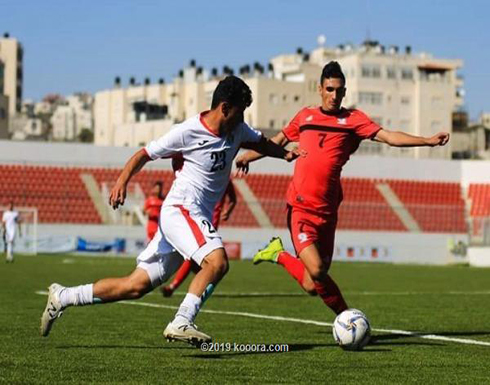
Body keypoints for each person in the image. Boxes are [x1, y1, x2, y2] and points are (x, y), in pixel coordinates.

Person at [40, 76, 299, 345]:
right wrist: (121, 181)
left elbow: (261, 142)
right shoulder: (186, 131)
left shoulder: (238, 129)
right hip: (182, 208)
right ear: (224, 107)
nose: (242, 117)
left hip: (190, 216)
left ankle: (63, 296)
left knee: (135, 285)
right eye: (239, 111)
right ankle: (182, 321)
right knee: (218, 262)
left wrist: (286, 154)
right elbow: (144, 153)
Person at [236, 61, 450, 316]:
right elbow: (278, 141)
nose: (334, 96)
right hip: (301, 207)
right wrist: (249, 156)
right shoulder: (305, 117)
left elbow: (390, 137)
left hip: (327, 212)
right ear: (320, 89)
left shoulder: (353, 120)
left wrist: (426, 141)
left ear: (345, 92)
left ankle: (278, 254)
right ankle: (348, 318)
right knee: (316, 271)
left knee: (311, 283)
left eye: (339, 91)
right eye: (329, 89)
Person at [160, 180, 236, 297]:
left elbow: (232, 199)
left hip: (209, 223)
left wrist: (227, 211)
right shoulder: (201, 174)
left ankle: (175, 287)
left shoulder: (224, 177)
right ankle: (202, 284)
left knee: (194, 259)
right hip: (194, 217)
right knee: (200, 262)